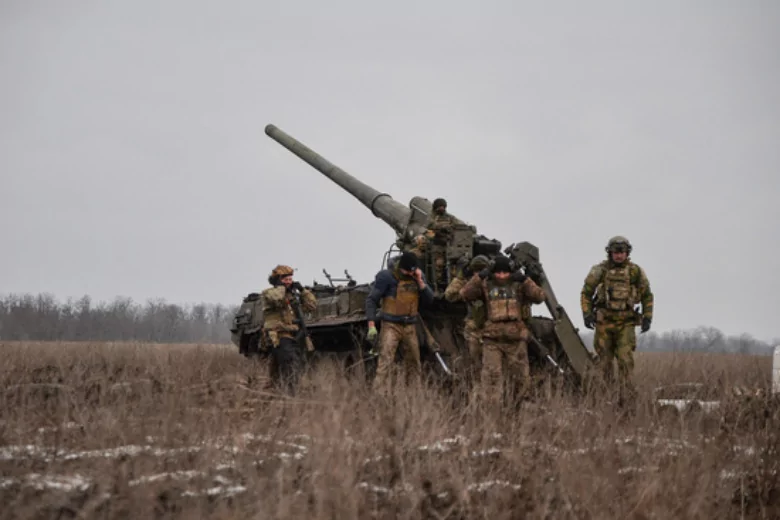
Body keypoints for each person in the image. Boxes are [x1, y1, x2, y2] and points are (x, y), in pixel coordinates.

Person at [459, 255, 546, 408]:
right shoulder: (486, 285)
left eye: (505, 273)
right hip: (492, 340)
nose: (501, 276)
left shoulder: (518, 285)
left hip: (515, 339)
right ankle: (492, 412)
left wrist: (526, 280)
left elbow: (540, 296)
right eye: (498, 273)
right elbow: (465, 293)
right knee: (492, 378)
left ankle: (518, 409)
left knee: (521, 379)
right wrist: (479, 277)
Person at [580, 236, 654, 402]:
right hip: (604, 322)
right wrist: (587, 313)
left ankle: (625, 397)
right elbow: (586, 292)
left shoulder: (635, 272)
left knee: (625, 360)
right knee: (603, 362)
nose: (619, 255)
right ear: (610, 252)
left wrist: (648, 316)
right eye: (616, 252)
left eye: (622, 252)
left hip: (626, 323)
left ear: (627, 253)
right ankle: (604, 396)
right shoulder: (600, 270)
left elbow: (647, 295)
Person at [365, 251, 435, 395]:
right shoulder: (387, 277)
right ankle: (378, 396)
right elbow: (371, 300)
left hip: (410, 326)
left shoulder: (417, 277)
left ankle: (413, 396)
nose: (410, 274)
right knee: (385, 363)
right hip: (391, 325)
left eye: (412, 271)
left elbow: (430, 300)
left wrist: (421, 282)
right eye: (407, 271)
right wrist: (371, 325)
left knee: (414, 365)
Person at [261, 264, 317, 395]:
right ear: (277, 280)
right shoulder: (269, 293)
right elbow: (277, 298)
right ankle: (290, 393)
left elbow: (312, 306)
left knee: (287, 365)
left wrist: (303, 291)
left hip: (294, 334)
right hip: (278, 334)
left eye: (290, 279)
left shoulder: (293, 296)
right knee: (290, 363)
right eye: (285, 279)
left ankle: (279, 390)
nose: (289, 282)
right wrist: (282, 287)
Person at [444, 254, 490, 383]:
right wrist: (461, 276)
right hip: (474, 328)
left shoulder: (493, 282)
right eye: (476, 271)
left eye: (482, 271)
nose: (479, 274)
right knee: (475, 363)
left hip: (493, 328)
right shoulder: (469, 283)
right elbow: (450, 295)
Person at [424, 198, 464, 289]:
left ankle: (451, 285)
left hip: (449, 245)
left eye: (443, 207)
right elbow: (429, 225)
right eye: (440, 207)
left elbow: (458, 225)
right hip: (437, 246)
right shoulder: (432, 217)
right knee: (439, 266)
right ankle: (438, 286)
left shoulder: (450, 217)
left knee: (452, 266)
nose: (442, 208)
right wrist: (442, 227)